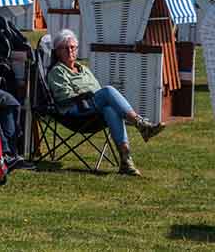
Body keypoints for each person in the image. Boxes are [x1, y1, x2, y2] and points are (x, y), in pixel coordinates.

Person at [47, 29, 165, 176]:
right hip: (75, 110)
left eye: (73, 47)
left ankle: (126, 161)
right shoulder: (57, 71)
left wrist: (94, 96)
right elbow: (63, 97)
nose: (70, 51)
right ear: (57, 52)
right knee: (108, 91)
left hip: (93, 108)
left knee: (110, 109)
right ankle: (140, 124)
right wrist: (85, 96)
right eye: (65, 48)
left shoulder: (83, 69)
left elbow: (96, 89)